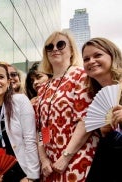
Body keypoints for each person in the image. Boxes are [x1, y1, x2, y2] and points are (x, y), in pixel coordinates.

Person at [34, 30, 99, 181]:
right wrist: (44, 159)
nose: (55, 49)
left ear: (71, 50)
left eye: (60, 44)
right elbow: (43, 126)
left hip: (77, 155)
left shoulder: (82, 75)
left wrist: (65, 156)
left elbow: (85, 120)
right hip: (51, 163)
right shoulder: (44, 87)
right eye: (49, 47)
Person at [0, 62, 39, 182]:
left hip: (23, 171)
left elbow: (30, 140)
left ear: (8, 82)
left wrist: (32, 177)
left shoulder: (20, 101)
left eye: (1, 77)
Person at [81, 37, 122, 182]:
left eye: (97, 55)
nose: (91, 61)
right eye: (86, 59)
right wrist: (105, 132)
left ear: (112, 55)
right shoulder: (92, 96)